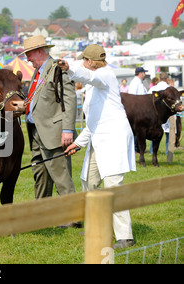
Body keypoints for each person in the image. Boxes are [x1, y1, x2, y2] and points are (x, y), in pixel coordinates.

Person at [59, 44, 136, 249]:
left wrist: (69, 68)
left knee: (112, 187)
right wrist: (78, 143)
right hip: (98, 138)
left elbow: (88, 76)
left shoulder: (105, 75)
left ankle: (125, 236)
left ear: (90, 62)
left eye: (84, 60)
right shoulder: (94, 85)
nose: (83, 63)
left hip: (114, 138)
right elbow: (94, 120)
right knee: (88, 181)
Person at [20, 35, 78, 226]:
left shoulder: (57, 70)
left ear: (38, 51)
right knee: (41, 174)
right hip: (36, 131)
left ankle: (73, 216)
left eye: (29, 54)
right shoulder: (39, 72)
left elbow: (69, 100)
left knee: (61, 175)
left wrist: (68, 129)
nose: (27, 58)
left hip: (53, 132)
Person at [149, 72, 177, 155]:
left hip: (155, 114)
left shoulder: (153, 88)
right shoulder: (170, 89)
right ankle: (168, 152)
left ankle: (151, 151)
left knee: (153, 132)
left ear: (160, 78)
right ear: (167, 79)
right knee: (169, 133)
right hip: (167, 114)